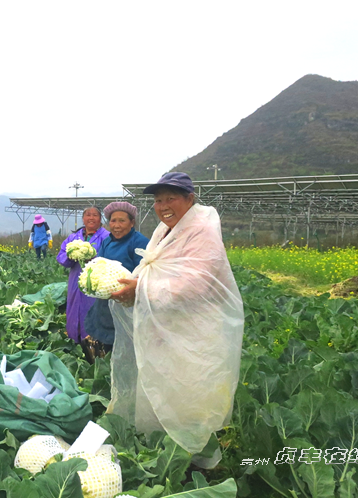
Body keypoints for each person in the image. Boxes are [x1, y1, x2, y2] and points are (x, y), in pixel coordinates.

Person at [108, 172, 244, 469]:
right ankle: (167, 455)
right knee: (164, 387)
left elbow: (196, 284)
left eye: (171, 198)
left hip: (194, 331)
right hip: (166, 327)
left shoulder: (202, 231)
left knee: (190, 392)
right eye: (158, 200)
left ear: (189, 199)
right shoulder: (164, 230)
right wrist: (127, 284)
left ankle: (200, 464)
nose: (163, 205)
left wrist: (140, 290)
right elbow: (150, 268)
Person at [83, 201, 149, 362]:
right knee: (104, 345)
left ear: (132, 223)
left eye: (122, 220)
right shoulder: (107, 241)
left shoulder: (139, 242)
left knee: (126, 346)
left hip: (129, 303)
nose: (116, 225)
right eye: (113, 220)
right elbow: (99, 265)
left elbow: (145, 274)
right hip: (105, 304)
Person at [57, 207, 110, 356]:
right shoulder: (74, 238)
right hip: (76, 280)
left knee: (93, 310)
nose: (91, 218)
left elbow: (110, 257)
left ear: (100, 219)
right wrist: (71, 257)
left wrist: (94, 258)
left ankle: (95, 349)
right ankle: (75, 343)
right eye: (88, 215)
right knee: (74, 310)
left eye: (95, 215)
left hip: (96, 281)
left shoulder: (106, 237)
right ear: (83, 219)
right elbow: (61, 256)